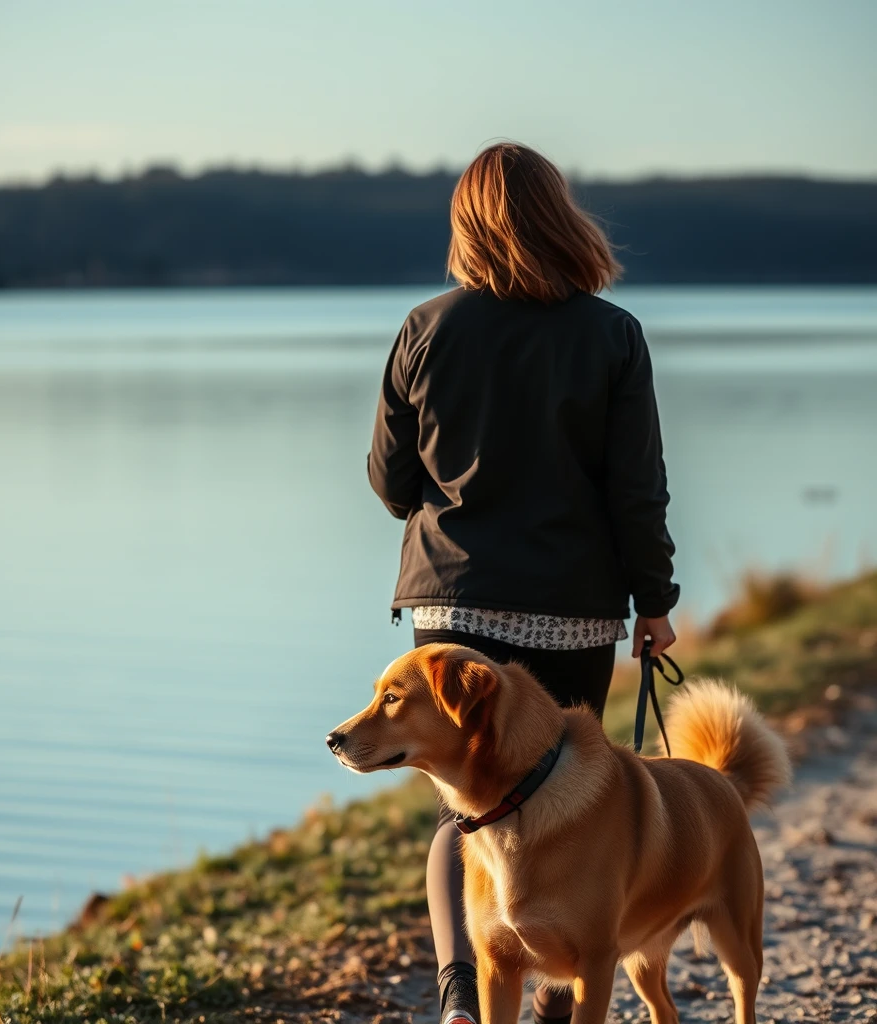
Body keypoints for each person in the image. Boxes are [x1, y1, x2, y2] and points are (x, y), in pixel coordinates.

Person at [366, 142, 679, 1024]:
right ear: (561, 216)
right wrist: (654, 603)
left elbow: (393, 487)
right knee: (569, 810)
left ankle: (463, 997)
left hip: (449, 610)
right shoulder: (612, 335)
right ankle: (554, 1003)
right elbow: (636, 491)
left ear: (466, 224)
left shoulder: (425, 329)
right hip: (572, 618)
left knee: (462, 817)